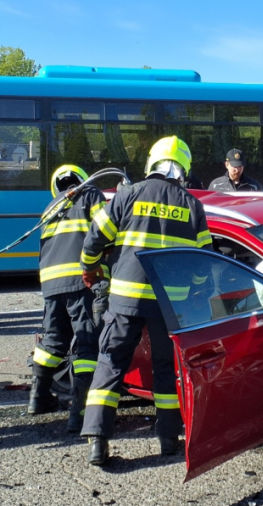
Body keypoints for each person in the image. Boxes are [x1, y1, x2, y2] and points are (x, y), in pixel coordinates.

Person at [80, 136, 212, 465]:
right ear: (183, 168)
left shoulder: (128, 194)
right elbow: (204, 263)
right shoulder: (192, 205)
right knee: (166, 370)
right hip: (170, 304)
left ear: (152, 162)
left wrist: (90, 268)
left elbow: (94, 239)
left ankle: (98, 441)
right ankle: (169, 439)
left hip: (126, 298)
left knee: (110, 363)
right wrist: (195, 290)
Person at [29, 164, 107, 434]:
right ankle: (79, 412)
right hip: (80, 279)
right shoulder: (91, 195)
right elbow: (103, 234)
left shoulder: (51, 207)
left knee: (53, 340)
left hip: (51, 283)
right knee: (87, 344)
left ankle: (37, 399)